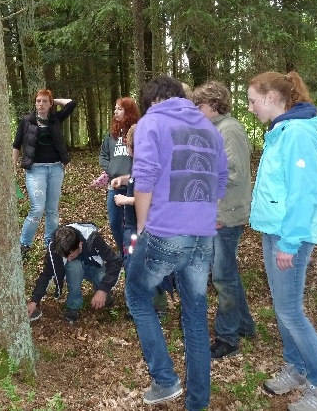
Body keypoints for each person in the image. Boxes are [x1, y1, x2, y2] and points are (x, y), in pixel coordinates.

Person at [125, 75, 227, 410]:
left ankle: (165, 380)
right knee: (195, 315)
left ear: (152, 101)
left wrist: (142, 226)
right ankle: (198, 401)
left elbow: (145, 178)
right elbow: (220, 180)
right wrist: (200, 213)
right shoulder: (210, 128)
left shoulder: (151, 122)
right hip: (202, 236)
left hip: (166, 232)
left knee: (136, 294)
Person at [247, 71, 317, 411]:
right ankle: (297, 369)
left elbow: (304, 193)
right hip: (275, 229)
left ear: (272, 97)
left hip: (290, 235)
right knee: (282, 307)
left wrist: (289, 243)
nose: (251, 108)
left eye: (253, 101)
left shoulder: (298, 133)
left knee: (290, 310)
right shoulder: (281, 131)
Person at [191, 81, 256, 359]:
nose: (196, 110)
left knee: (222, 277)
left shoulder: (229, 129)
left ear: (214, 104)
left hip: (226, 215)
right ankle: (244, 325)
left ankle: (227, 337)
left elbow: (234, 173)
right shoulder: (214, 128)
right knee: (227, 273)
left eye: (199, 105)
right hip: (217, 213)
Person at [12, 89, 77, 257]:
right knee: (37, 208)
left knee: (52, 209)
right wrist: (13, 165)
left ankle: (50, 244)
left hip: (55, 168)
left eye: (45, 101)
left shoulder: (55, 119)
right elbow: (16, 144)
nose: (41, 104)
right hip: (36, 170)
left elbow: (71, 104)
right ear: (35, 103)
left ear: (50, 104)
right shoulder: (27, 121)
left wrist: (54, 100)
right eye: (38, 101)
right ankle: (24, 244)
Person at [112, 124, 168, 318]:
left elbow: (153, 198)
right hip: (132, 226)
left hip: (143, 227)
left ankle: (154, 306)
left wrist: (125, 200)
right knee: (133, 263)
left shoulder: (150, 167)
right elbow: (137, 181)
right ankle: (138, 305)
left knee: (144, 264)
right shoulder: (141, 164)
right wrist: (124, 180)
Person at [26, 223, 122, 324]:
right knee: (73, 266)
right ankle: (73, 306)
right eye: (66, 257)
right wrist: (34, 300)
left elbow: (115, 261)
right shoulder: (56, 247)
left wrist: (103, 290)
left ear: (80, 244)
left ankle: (105, 294)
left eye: (71, 255)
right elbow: (46, 274)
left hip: (95, 266)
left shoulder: (93, 238)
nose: (68, 259)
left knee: (101, 278)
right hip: (76, 270)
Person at [99, 97, 140, 252]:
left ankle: (132, 252)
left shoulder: (137, 132)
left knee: (132, 223)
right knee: (115, 224)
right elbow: (103, 156)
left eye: (120, 109)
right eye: (115, 108)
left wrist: (130, 176)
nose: (115, 112)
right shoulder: (111, 135)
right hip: (114, 186)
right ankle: (124, 254)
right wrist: (112, 170)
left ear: (128, 111)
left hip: (133, 185)